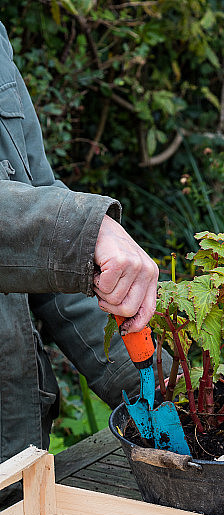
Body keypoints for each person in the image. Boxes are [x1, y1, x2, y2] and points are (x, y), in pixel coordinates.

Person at [0, 20, 167, 473]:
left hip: (17, 446)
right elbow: (55, 233)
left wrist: (153, 384)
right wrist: (80, 232)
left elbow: (35, 201)